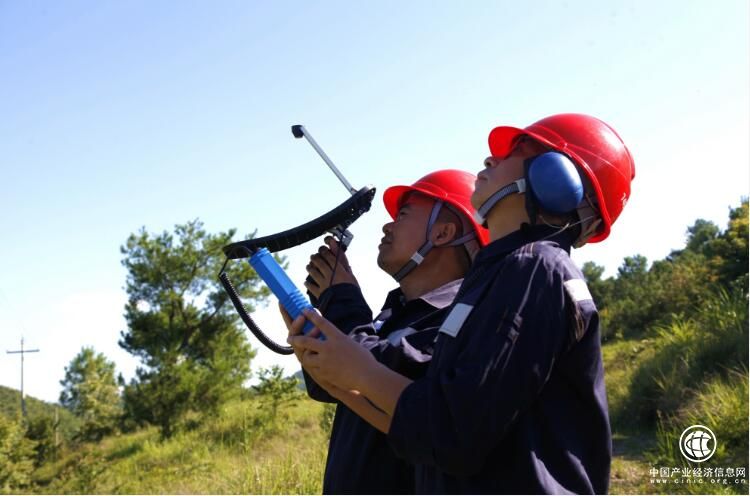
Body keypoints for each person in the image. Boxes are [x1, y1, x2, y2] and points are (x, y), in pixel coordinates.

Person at [285, 113, 636, 494]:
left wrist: (360, 369)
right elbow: (428, 422)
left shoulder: (535, 267)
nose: (489, 159)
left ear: (556, 177)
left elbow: (451, 431)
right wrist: (342, 370)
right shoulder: (500, 276)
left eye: (516, 150)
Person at [288, 169, 489, 494]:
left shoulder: (461, 319)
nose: (387, 224)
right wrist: (314, 317)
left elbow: (389, 380)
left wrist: (343, 302)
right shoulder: (392, 313)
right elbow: (328, 386)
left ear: (443, 233)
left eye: (404, 214)